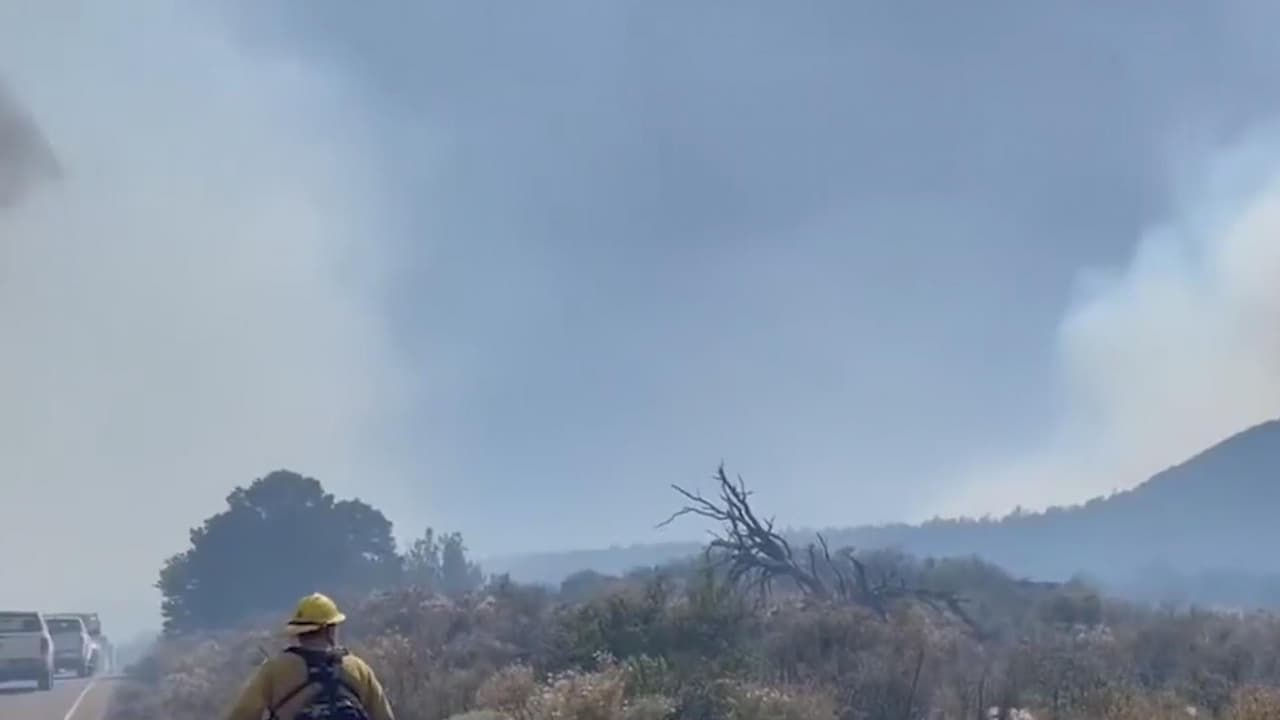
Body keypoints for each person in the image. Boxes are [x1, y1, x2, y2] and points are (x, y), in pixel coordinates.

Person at [223, 592, 395, 720]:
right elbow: (384, 716)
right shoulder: (358, 668)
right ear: (330, 629)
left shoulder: (275, 670)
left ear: (297, 633)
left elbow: (241, 715)